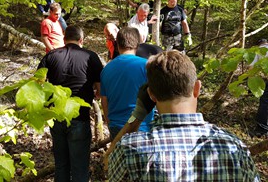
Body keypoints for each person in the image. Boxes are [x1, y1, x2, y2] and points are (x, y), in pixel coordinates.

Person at [108, 50, 261, 182]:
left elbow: (108, 163)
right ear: (197, 88)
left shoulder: (130, 148)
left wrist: (137, 115)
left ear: (151, 95)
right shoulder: (234, 146)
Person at [38, 26, 103, 182]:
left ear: (64, 39)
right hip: (79, 116)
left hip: (56, 117)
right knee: (80, 167)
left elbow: (37, 85)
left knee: (61, 165)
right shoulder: (91, 56)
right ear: (81, 40)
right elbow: (100, 90)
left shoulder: (50, 56)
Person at [100, 27, 154, 140]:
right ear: (138, 44)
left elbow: (104, 100)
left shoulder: (107, 69)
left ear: (117, 44)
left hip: (117, 126)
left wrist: (110, 123)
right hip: (143, 127)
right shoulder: (147, 66)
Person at [250, 38, 268, 137]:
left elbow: (251, 67)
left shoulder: (258, 51)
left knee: (265, 101)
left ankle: (262, 128)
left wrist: (251, 80)